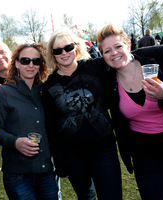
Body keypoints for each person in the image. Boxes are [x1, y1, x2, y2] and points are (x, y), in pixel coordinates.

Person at [97, 24, 163, 200]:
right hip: (146, 156)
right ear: (102, 56)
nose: (114, 53)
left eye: (118, 46)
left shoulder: (159, 66)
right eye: (107, 51)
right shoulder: (108, 82)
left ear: (128, 45)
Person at [42, 28, 121, 200]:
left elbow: (124, 60)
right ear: (52, 55)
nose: (64, 53)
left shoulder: (96, 67)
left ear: (76, 47)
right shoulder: (49, 86)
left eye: (68, 47)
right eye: (58, 50)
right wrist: (61, 162)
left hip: (104, 149)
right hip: (73, 156)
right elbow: (51, 127)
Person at [0, 43, 59, 199]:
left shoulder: (44, 92)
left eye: (36, 61)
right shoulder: (4, 92)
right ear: (16, 63)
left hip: (46, 172)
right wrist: (16, 142)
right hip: (18, 175)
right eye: (25, 60)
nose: (30, 65)